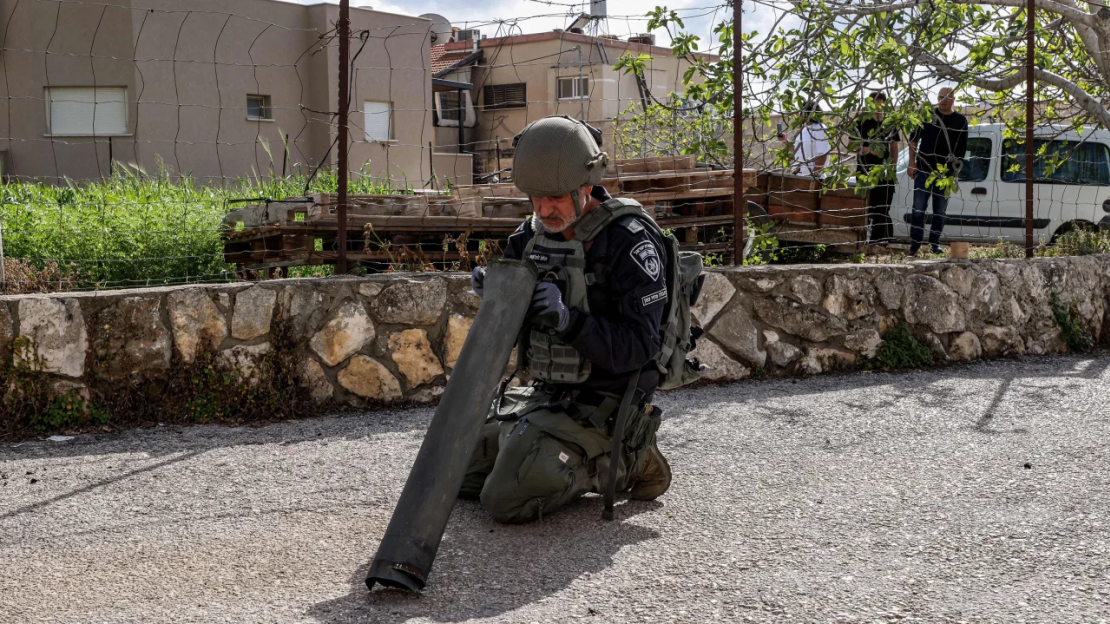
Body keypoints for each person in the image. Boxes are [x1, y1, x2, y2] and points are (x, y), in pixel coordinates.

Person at [463, 115, 672, 524]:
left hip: (607, 403)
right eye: (535, 198)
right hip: (549, 393)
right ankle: (532, 442)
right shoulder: (532, 235)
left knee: (504, 500)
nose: (543, 209)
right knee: (455, 473)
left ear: (586, 185)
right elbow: (511, 325)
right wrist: (497, 296)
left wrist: (567, 320)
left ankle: (630, 458)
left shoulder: (629, 242)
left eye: (555, 198)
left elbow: (641, 347)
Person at [907, 87, 969, 256]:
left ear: (953, 99)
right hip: (924, 168)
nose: (943, 100)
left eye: (947, 97)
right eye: (941, 97)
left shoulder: (961, 121)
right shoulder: (927, 116)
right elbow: (913, 140)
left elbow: (962, 149)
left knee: (940, 210)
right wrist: (911, 163)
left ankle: (934, 244)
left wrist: (955, 170)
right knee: (918, 208)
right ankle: (915, 245)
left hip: (945, 174)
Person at [856, 91, 900, 245]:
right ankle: (862, 241)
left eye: (881, 102)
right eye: (875, 101)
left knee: (883, 207)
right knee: (866, 207)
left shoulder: (890, 122)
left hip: (885, 172)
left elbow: (894, 147)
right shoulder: (861, 121)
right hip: (865, 171)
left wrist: (893, 166)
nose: (878, 105)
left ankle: (880, 240)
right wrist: (870, 150)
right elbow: (852, 146)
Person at [780, 102, 830, 177]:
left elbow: (822, 155)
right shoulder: (805, 129)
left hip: (811, 179)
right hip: (798, 176)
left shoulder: (820, 129)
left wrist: (813, 176)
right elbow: (797, 150)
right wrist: (784, 140)